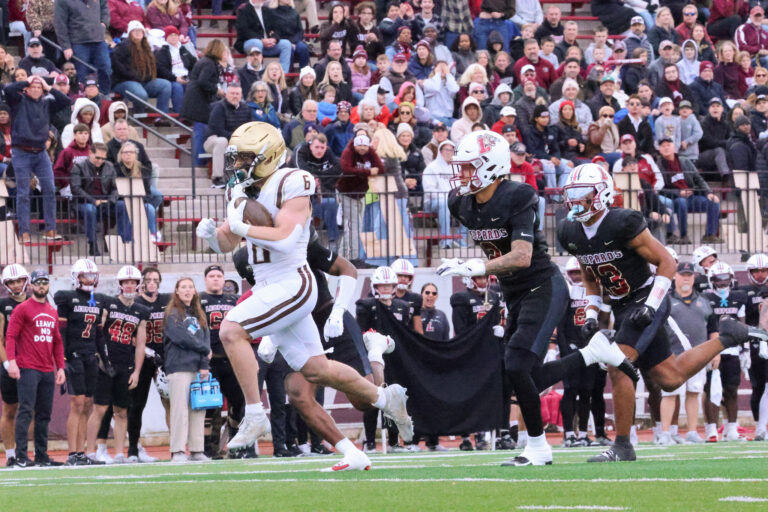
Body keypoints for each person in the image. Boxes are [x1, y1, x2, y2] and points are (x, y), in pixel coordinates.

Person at [194, 122, 414, 471]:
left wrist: (241, 226)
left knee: (231, 330)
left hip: (292, 283)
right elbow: (227, 241)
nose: (239, 165)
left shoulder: (291, 181)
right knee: (316, 370)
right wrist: (211, 236)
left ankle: (255, 414)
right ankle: (383, 400)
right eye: (237, 158)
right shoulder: (243, 188)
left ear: (267, 156)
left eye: (247, 158)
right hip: (269, 285)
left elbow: (284, 239)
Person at [440, 132, 636, 466]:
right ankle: (593, 353)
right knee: (520, 375)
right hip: (513, 292)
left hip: (542, 286)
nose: (463, 174)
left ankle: (538, 447)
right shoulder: (458, 202)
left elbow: (522, 256)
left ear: (492, 167)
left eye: (470, 167)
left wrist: (479, 266)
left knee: (517, 365)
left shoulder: (518, 195)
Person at [556, 163, 764, 462]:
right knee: (669, 378)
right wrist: (590, 314)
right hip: (622, 304)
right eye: (572, 195)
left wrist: (651, 305)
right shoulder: (570, 231)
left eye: (583, 195)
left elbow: (667, 262)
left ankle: (623, 445)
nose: (576, 201)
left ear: (602, 194)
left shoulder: (622, 222)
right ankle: (728, 336)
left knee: (617, 363)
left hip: (647, 296)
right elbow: (590, 277)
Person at [85, 265, 148, 464]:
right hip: (106, 363)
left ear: (138, 284)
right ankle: (90, 452)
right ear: (120, 284)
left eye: (133, 282)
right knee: (100, 409)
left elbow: (141, 344)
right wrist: (99, 358)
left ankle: (120, 453)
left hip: (125, 364)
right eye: (126, 282)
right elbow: (98, 331)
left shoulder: (141, 310)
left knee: (121, 411)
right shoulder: (109, 303)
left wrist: (137, 371)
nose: (129, 285)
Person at [4, 269, 65, 467]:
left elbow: (57, 342)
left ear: (49, 285)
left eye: (44, 282)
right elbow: (10, 336)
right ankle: (21, 456)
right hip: (28, 367)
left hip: (47, 369)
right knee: (25, 410)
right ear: (31, 285)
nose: (41, 286)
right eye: (38, 282)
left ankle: (41, 455)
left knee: (44, 414)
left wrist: (60, 367)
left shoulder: (52, 311)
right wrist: (12, 361)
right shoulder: (22, 309)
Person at [55, 259, 109, 466]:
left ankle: (81, 452)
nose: (89, 279)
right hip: (74, 355)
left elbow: (98, 334)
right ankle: (72, 453)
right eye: (85, 276)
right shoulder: (66, 298)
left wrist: (105, 360)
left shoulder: (97, 300)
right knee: (77, 403)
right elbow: (61, 332)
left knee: (87, 404)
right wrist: (63, 359)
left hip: (90, 355)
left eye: (92, 276)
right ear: (76, 277)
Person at [5, 75, 70, 243]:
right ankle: (24, 232)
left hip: (41, 152)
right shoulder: (18, 101)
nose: (35, 89)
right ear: (26, 89)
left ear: (42, 90)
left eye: (38, 87)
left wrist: (48, 87)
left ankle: (50, 229)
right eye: (32, 87)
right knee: (23, 193)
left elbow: (65, 101)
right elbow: (8, 89)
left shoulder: (47, 103)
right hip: (21, 152)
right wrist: (27, 81)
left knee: (49, 189)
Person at [661, 261, 717, 445]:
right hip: (672, 355)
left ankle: (692, 431)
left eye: (689, 275)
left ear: (694, 277)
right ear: (675, 276)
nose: (686, 278)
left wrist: (715, 353)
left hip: (697, 355)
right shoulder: (666, 300)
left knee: (694, 392)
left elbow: (713, 328)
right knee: (669, 393)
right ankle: (665, 433)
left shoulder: (704, 301)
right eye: (683, 275)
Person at [163, 277, 211, 463]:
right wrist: (204, 349)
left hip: (197, 368)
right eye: (183, 287)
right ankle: (178, 451)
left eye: (190, 287)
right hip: (178, 367)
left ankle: (197, 450)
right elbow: (180, 337)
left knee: (198, 409)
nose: (187, 290)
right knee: (179, 410)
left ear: (195, 291)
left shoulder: (200, 314)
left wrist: (204, 365)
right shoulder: (172, 313)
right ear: (176, 291)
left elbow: (206, 339)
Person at [702, 261, 749, 442]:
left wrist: (745, 349)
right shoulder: (706, 298)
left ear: (731, 278)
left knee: (731, 390)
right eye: (718, 279)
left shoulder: (739, 297)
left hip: (732, 350)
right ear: (711, 280)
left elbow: (742, 325)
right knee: (711, 390)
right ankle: (711, 429)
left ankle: (731, 429)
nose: (722, 283)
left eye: (725, 279)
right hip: (712, 350)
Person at [129, 266, 169, 463]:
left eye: (155, 279)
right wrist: (149, 352)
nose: (152, 283)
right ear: (142, 282)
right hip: (143, 358)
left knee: (171, 403)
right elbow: (131, 335)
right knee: (137, 404)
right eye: (148, 279)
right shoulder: (136, 303)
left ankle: (177, 446)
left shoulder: (168, 301)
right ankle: (134, 448)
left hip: (165, 358)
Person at [70, 142, 133, 256]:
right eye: (98, 157)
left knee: (124, 206)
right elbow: (76, 189)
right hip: (84, 203)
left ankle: (126, 242)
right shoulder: (78, 167)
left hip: (105, 203)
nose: (100, 161)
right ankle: (93, 244)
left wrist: (110, 200)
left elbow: (116, 188)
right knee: (90, 209)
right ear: (90, 153)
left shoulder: (109, 166)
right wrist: (94, 201)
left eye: (103, 158)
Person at [657, 137, 723, 244]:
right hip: (674, 198)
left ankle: (710, 235)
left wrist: (708, 192)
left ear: (674, 147)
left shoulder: (684, 161)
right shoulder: (658, 166)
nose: (666, 148)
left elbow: (698, 178)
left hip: (692, 196)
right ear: (659, 150)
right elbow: (660, 188)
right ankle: (684, 235)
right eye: (663, 146)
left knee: (713, 202)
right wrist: (679, 193)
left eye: (668, 145)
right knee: (681, 202)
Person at [0, 264, 30, 467]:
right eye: (12, 282)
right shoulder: (3, 304)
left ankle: (26, 452)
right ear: (6, 284)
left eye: (19, 280)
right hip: (11, 362)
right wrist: (7, 363)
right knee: (10, 410)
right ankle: (11, 455)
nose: (17, 285)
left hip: (33, 362)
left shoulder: (37, 301)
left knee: (31, 410)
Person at [339, 131, 383, 266]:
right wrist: (368, 171)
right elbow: (346, 169)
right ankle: (354, 257)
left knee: (356, 226)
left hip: (361, 193)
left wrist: (364, 171)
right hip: (347, 192)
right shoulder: (348, 152)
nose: (362, 148)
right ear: (355, 145)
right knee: (354, 225)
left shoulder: (370, 153)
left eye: (365, 146)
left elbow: (380, 168)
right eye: (360, 146)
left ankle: (341, 256)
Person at [111, 21, 173, 115]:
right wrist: (135, 76)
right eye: (134, 31)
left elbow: (155, 66)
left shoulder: (147, 47)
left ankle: (162, 116)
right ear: (129, 33)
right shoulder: (122, 47)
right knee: (141, 94)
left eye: (140, 30)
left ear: (144, 33)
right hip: (125, 81)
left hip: (144, 81)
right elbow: (118, 66)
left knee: (165, 85)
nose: (137, 32)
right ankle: (140, 115)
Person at [54, 0, 111, 94]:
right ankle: (82, 96)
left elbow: (104, 6)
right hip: (78, 42)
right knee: (81, 73)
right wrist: (66, 46)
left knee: (105, 68)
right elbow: (60, 24)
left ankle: (104, 95)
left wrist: (104, 22)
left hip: (99, 40)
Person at [234, 0, 293, 73]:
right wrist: (261, 40)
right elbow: (244, 30)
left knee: (286, 44)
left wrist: (274, 38)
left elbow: (276, 28)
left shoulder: (266, 10)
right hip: (250, 42)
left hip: (268, 43)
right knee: (257, 42)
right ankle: (257, 73)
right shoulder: (243, 10)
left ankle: (283, 74)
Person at [423, 140, 460, 249]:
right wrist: (447, 198)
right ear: (440, 151)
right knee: (444, 203)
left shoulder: (457, 167)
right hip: (433, 202)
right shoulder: (432, 167)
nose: (448, 152)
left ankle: (460, 238)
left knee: (471, 204)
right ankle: (446, 240)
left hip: (453, 201)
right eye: (446, 150)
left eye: (451, 150)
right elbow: (429, 190)